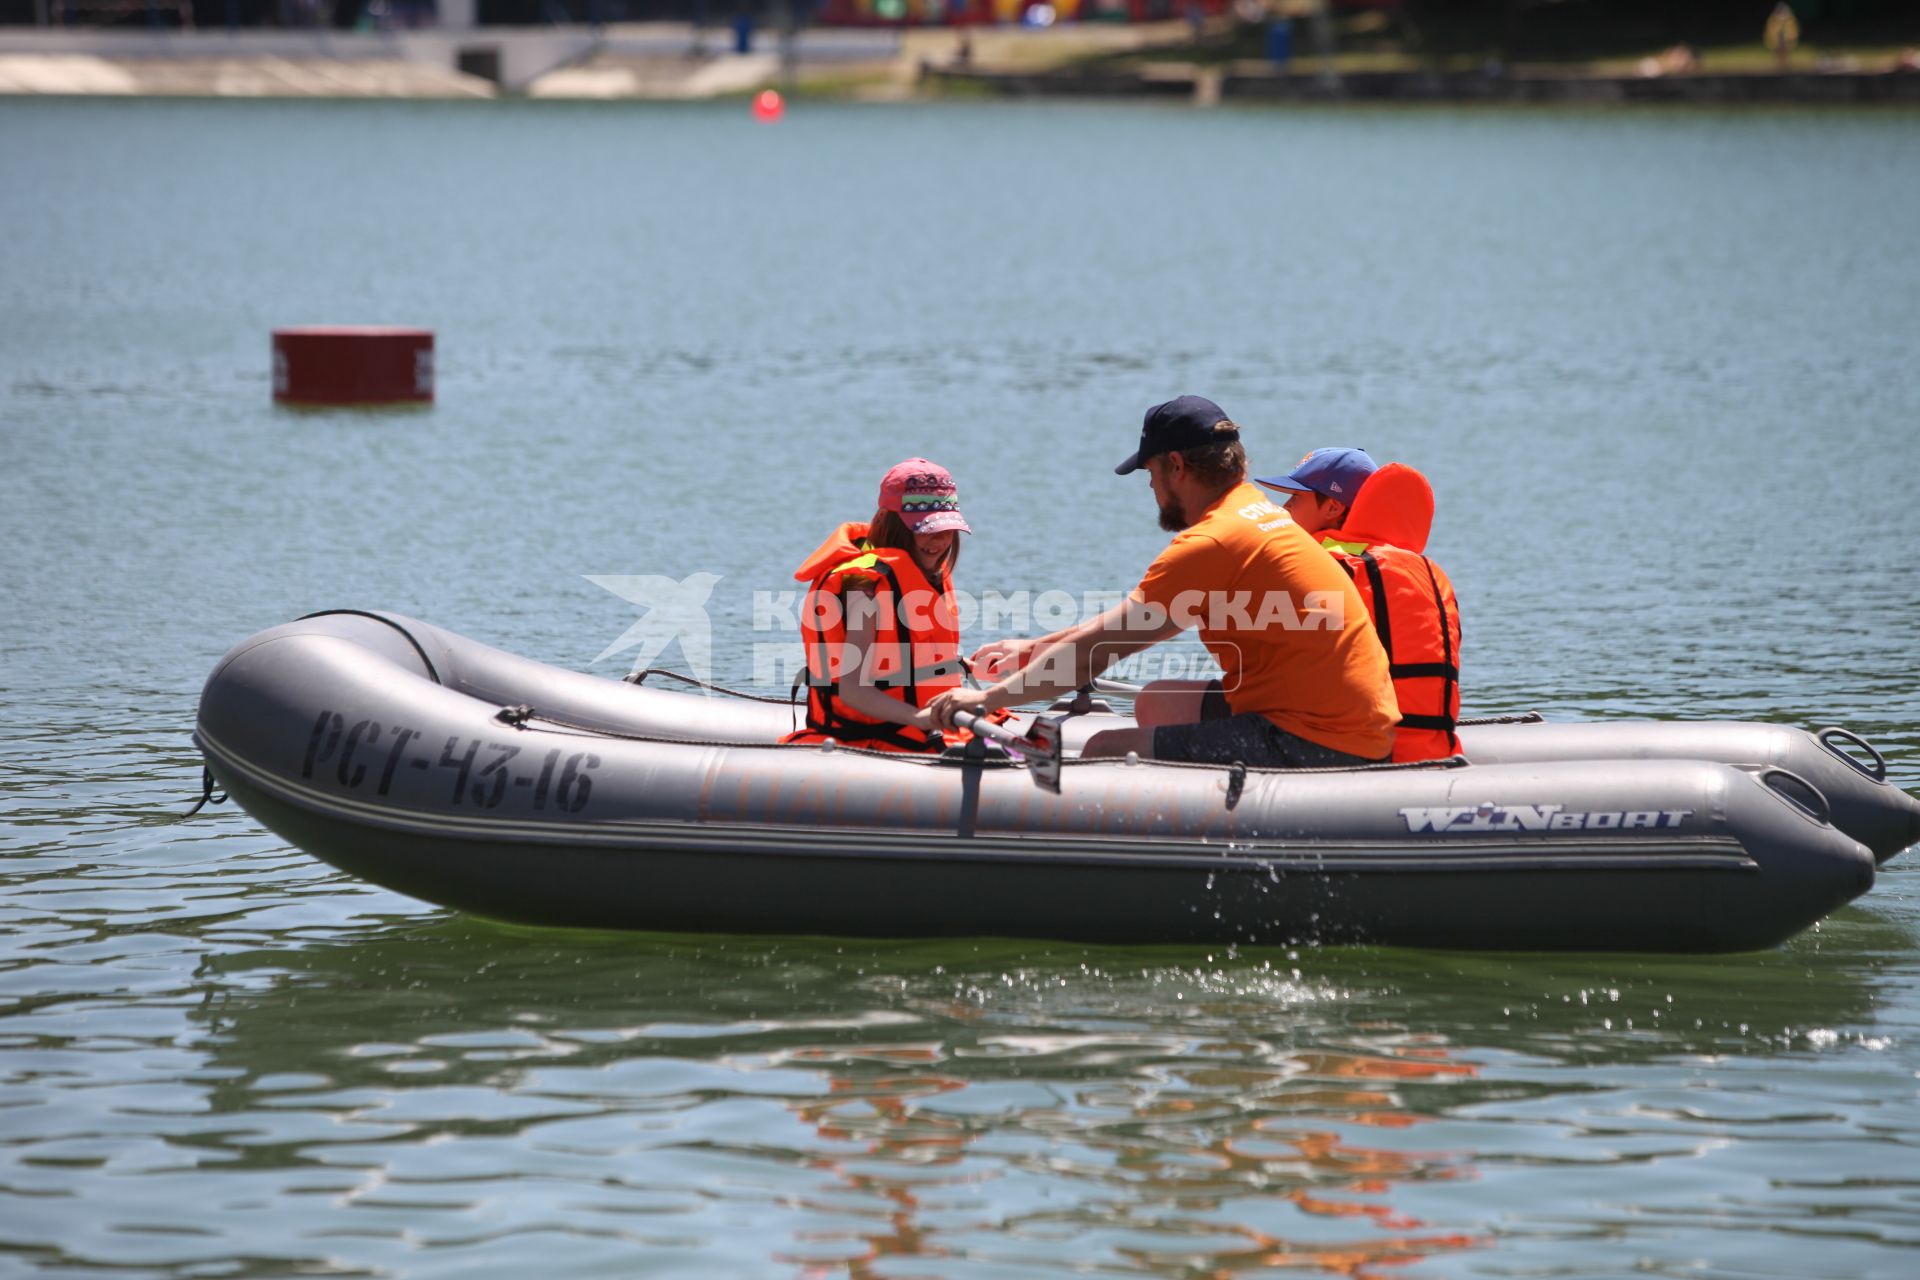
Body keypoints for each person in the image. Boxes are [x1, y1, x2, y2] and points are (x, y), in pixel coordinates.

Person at [927, 396, 1398, 768]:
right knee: (1159, 702)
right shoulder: (1255, 513)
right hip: (1352, 723)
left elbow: (1100, 648)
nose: (1151, 488)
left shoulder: (1212, 543)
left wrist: (987, 698)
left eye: (1150, 473)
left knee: (1102, 751)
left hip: (1316, 741)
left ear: (1176, 465)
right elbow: (1121, 628)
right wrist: (1032, 652)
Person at [1259, 459, 1463, 762]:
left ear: (1332, 508)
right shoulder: (1429, 571)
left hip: (1363, 751)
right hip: (1433, 744)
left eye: (1295, 498)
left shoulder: (1331, 566)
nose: (1283, 508)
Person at [785, 459, 973, 753]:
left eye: (945, 529)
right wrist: (918, 718)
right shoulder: (865, 588)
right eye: (924, 528)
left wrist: (959, 666)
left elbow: (914, 660)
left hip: (928, 725)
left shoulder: (926, 575)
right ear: (893, 525)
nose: (937, 540)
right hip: (873, 734)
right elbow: (853, 690)